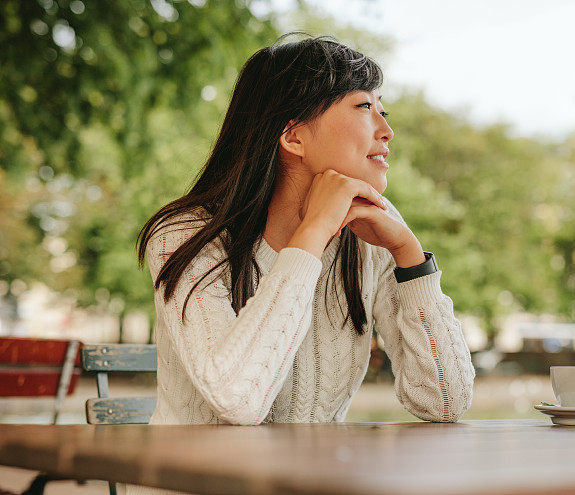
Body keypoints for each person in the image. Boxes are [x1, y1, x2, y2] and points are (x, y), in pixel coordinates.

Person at [127, 32, 475, 495]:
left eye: (382, 110)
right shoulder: (185, 236)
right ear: (294, 136)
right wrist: (310, 235)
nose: (386, 130)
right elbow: (238, 397)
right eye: (362, 108)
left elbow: (445, 402)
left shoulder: (371, 236)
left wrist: (411, 260)